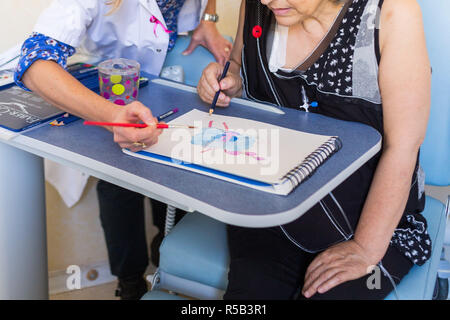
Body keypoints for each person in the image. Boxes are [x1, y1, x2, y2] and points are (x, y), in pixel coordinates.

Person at [198, 0, 431, 299]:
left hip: (366, 220)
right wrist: (228, 81)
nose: (268, 1)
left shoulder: (391, 13)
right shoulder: (258, 7)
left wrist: (364, 248)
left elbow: (403, 146)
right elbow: (242, 67)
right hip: (273, 207)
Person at [14, 0, 232, 300]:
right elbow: (34, 66)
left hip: (160, 81)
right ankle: (129, 281)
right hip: (105, 93)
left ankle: (165, 248)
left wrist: (207, 19)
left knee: (172, 168)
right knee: (119, 185)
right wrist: (111, 116)